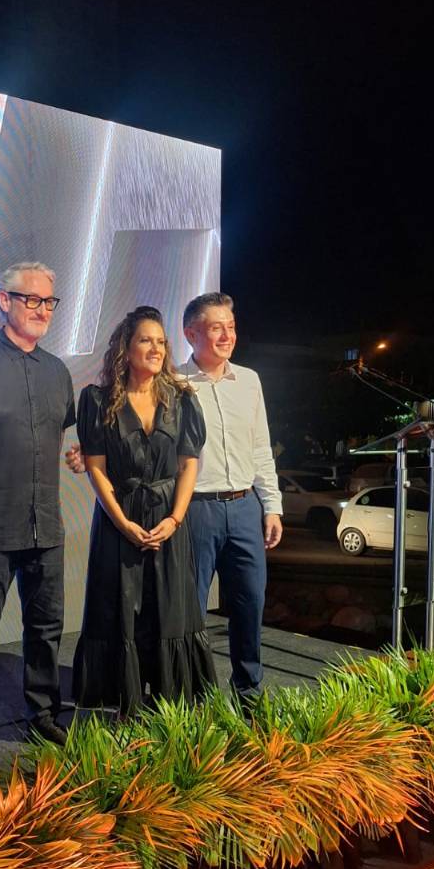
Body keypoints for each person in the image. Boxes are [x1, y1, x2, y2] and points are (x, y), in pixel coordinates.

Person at [0, 262, 76, 774]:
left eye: (49, 301)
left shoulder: (57, 371)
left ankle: (43, 715)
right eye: (32, 299)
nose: (42, 309)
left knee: (45, 629)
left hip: (45, 523)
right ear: (4, 301)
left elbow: (60, 436)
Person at [72, 306, 216, 714]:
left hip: (170, 520)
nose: (155, 348)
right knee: (120, 607)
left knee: (168, 608)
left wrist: (175, 519)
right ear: (126, 347)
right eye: (145, 340)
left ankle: (168, 702)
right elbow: (96, 469)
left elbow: (188, 465)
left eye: (161, 342)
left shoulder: (182, 400)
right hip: (119, 520)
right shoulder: (97, 400)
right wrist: (122, 523)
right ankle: (126, 700)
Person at [177, 291, 282, 702]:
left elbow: (260, 447)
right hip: (195, 510)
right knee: (190, 609)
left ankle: (248, 691)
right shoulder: (174, 384)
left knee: (250, 603)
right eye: (216, 328)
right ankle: (190, 696)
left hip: (244, 508)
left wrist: (271, 506)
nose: (227, 336)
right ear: (191, 333)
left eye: (231, 327)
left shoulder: (249, 380)